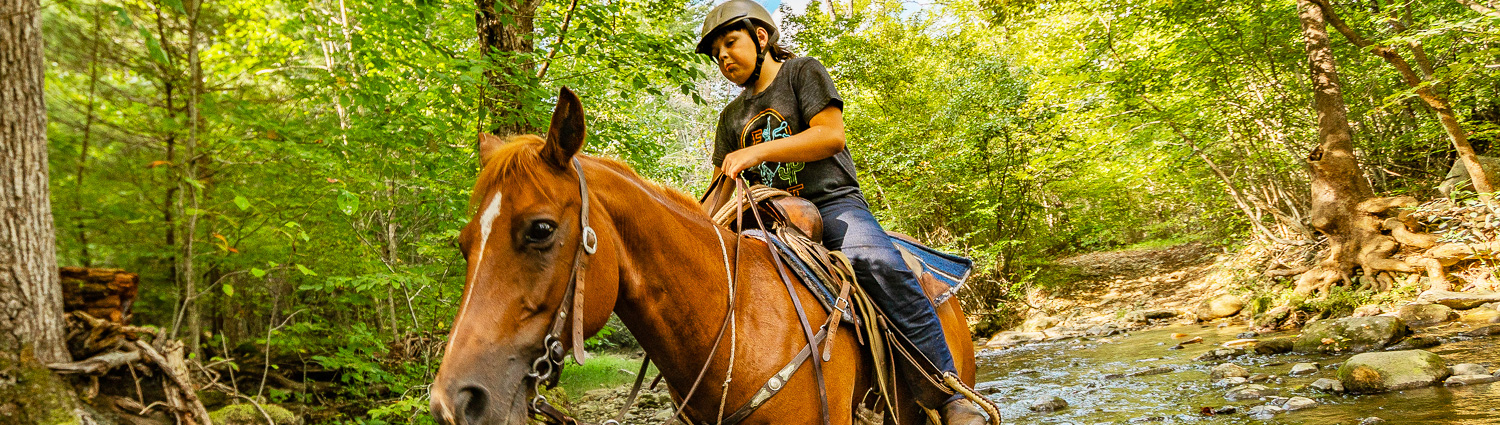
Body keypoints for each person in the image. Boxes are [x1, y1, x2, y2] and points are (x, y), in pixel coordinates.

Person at [694, 1, 985, 422]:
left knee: (878, 264)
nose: (722, 56)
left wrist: (756, 152)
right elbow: (721, 187)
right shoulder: (730, 118)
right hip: (768, 223)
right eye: (715, 52)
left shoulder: (802, 72)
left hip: (832, 204)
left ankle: (949, 395)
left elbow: (830, 136)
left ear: (760, 37)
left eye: (730, 42)